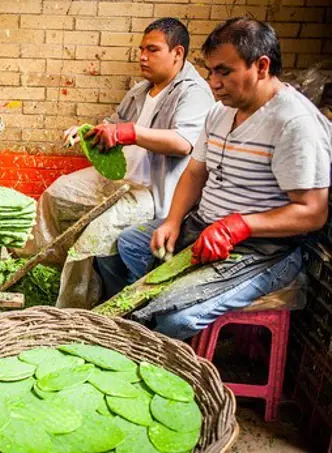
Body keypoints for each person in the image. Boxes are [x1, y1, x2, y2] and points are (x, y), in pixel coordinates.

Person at [116, 17, 331, 339]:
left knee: (177, 317)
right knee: (130, 245)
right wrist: (173, 221)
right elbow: (195, 171)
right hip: (204, 226)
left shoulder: (295, 123)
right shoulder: (220, 112)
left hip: (263, 249)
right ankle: (154, 318)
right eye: (211, 71)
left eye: (224, 71)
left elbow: (313, 212)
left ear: (261, 66)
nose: (214, 82)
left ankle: (171, 346)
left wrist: (239, 225)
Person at [19, 18, 214, 308]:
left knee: (95, 236)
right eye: (141, 50)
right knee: (58, 194)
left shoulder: (193, 93)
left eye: (152, 49)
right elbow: (113, 123)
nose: (142, 57)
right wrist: (87, 131)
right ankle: (42, 269)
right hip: (120, 179)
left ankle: (76, 308)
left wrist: (129, 133)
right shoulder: (141, 90)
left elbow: (184, 142)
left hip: (153, 192)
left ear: (178, 53)